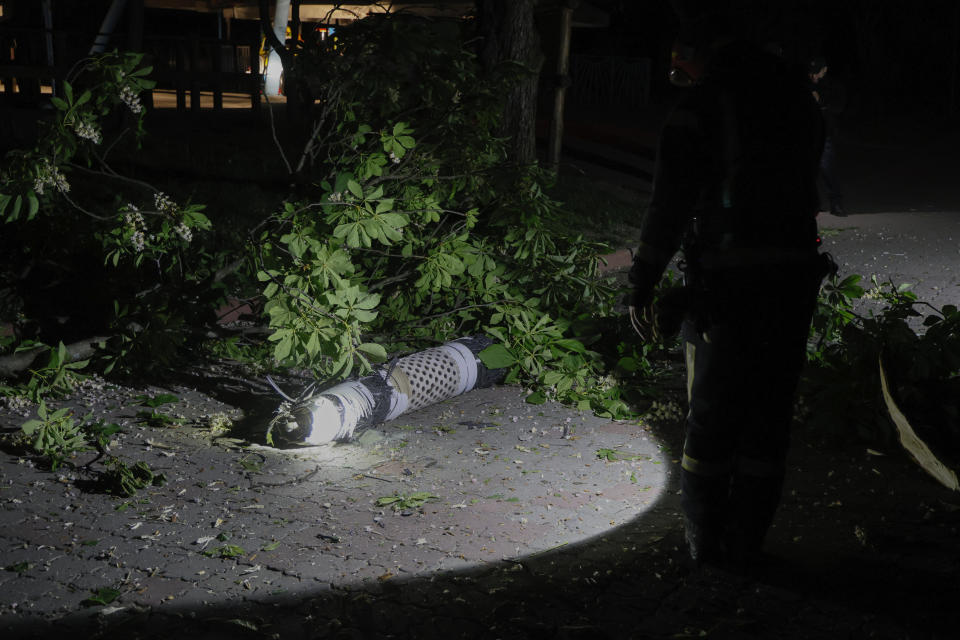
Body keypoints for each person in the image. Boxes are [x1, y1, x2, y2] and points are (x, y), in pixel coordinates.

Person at [628, 12, 834, 569]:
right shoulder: (796, 100)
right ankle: (749, 543)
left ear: (699, 55)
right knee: (770, 412)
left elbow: (668, 206)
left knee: (713, 414)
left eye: (682, 64)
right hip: (793, 279)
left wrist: (643, 279)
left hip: (728, 283)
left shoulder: (701, 106)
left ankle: (705, 545)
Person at [808, 56, 847, 216]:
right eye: (811, 73)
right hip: (807, 133)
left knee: (827, 168)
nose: (814, 76)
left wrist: (821, 101)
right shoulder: (806, 83)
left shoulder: (832, 85)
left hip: (825, 133)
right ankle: (812, 204)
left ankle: (836, 203)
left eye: (817, 72)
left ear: (824, 70)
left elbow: (838, 107)